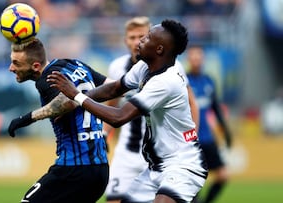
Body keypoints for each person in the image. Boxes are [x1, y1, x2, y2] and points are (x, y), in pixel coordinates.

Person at [48, 19, 208, 203]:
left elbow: (119, 117)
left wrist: (77, 95)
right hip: (156, 166)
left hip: (183, 164)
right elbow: (113, 89)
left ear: (159, 50)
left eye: (147, 38)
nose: (140, 41)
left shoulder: (166, 82)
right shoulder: (145, 67)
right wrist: (74, 102)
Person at [103, 16, 200, 203]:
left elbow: (191, 103)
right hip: (127, 153)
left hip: (163, 154)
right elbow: (112, 103)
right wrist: (104, 134)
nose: (137, 41)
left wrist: (190, 138)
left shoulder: (172, 70)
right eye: (132, 37)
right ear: (125, 40)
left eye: (143, 36)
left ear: (158, 45)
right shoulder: (119, 67)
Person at [7, 38, 109, 203]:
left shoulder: (47, 79)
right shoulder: (75, 64)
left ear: (35, 67)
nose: (11, 68)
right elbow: (112, 87)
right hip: (100, 170)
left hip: (74, 169)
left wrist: (25, 119)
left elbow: (66, 101)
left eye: (16, 63)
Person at [186, 45, 232, 203]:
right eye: (193, 56)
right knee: (193, 180)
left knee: (223, 175)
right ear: (188, 59)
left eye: (199, 56)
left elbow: (215, 108)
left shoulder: (208, 81)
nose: (196, 60)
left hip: (208, 138)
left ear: (203, 59)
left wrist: (226, 131)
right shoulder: (183, 81)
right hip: (191, 141)